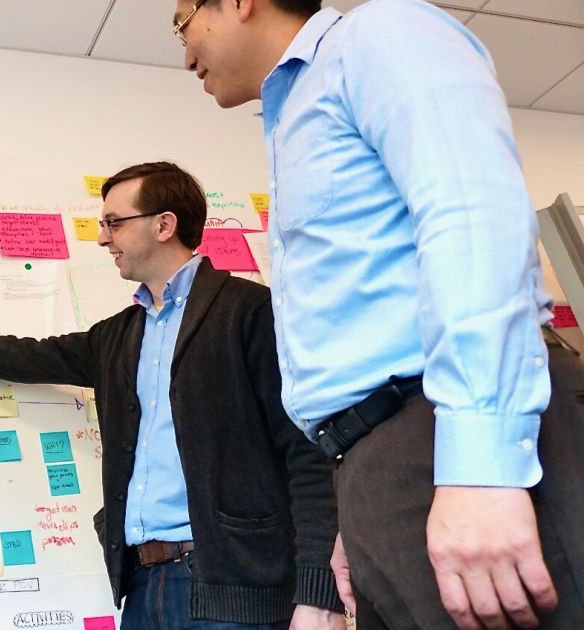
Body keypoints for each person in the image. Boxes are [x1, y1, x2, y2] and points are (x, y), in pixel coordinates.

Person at [172, 0, 584, 628]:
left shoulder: (377, 37)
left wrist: (481, 471)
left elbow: (472, 220)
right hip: (379, 462)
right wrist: (357, 506)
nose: (185, 55)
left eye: (183, 23)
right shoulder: (291, 117)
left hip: (447, 435)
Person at [0, 162, 344, 629]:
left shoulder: (250, 312)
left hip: (234, 590)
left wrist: (319, 596)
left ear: (164, 225)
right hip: (141, 586)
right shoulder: (120, 335)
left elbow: (308, 454)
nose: (102, 238)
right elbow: (25, 357)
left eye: (114, 223)